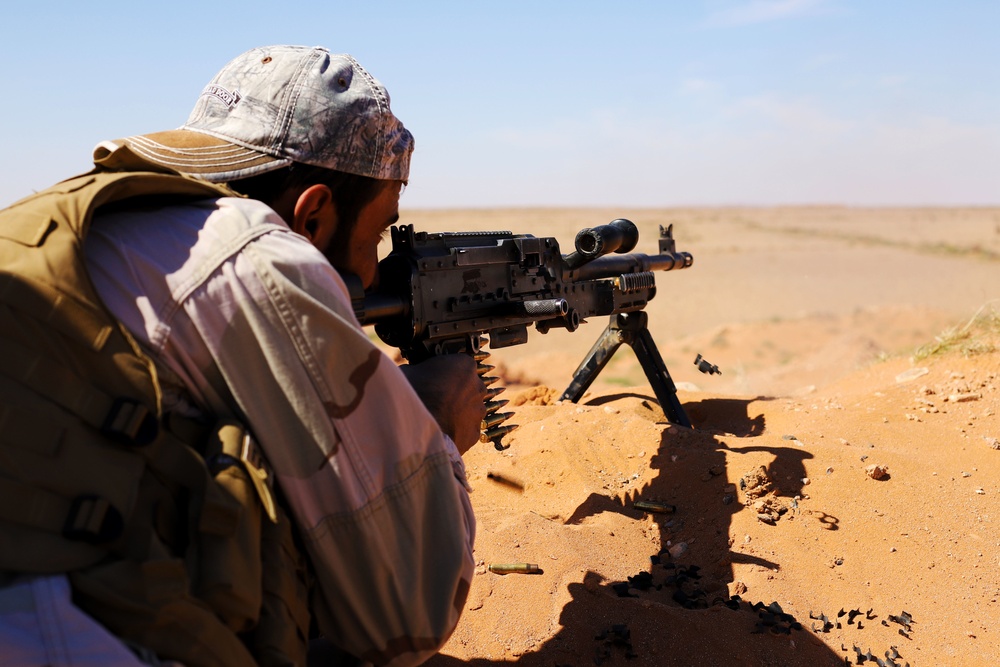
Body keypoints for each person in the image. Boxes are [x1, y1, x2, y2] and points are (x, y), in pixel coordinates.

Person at [0, 45, 485, 666]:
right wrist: (436, 426)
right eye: (380, 232)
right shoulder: (256, 257)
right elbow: (412, 611)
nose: (372, 266)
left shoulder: (81, 217)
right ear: (313, 215)